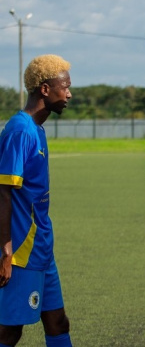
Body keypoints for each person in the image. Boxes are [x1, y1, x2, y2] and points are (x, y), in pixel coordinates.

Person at [0, 54, 73, 346]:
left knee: (57, 322)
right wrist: (6, 253)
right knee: (10, 329)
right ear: (45, 89)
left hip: (41, 248)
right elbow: (3, 192)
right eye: (64, 87)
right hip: (21, 251)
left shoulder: (37, 130)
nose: (69, 93)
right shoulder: (20, 131)